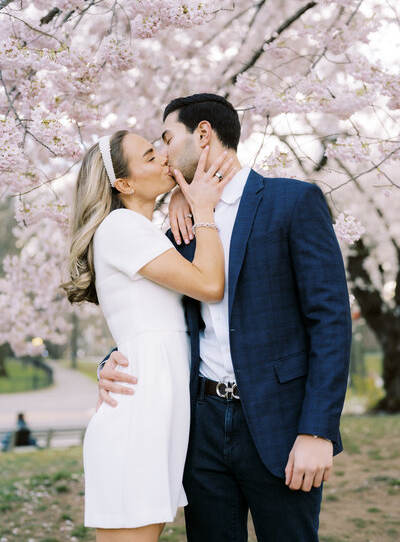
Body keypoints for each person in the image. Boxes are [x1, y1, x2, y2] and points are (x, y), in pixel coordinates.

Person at [97, 94, 352, 542]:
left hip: (280, 426)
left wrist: (318, 430)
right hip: (202, 428)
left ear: (202, 134)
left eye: (167, 139)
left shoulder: (293, 201)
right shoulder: (177, 228)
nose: (164, 154)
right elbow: (156, 312)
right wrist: (113, 361)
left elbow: (331, 322)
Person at [61, 130, 235, 542]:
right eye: (150, 155)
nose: (164, 158)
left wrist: (178, 197)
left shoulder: (142, 231)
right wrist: (203, 205)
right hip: (139, 416)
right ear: (124, 184)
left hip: (157, 410)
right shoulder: (121, 227)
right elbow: (210, 286)